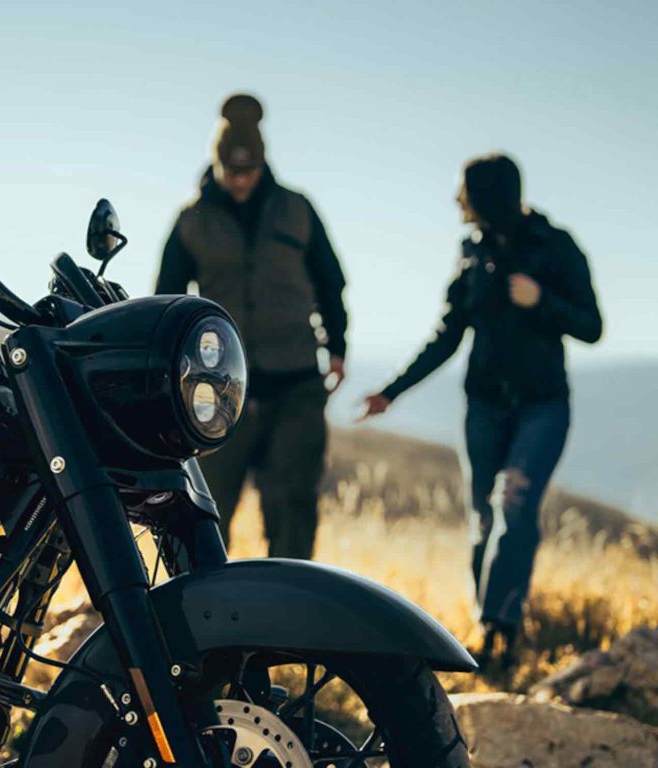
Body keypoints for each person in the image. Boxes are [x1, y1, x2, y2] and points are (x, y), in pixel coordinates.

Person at [360, 153, 602, 665]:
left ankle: (501, 629)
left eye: (464, 193)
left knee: (514, 506)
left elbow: (591, 325)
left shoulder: (554, 247)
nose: (457, 202)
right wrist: (391, 391)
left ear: (488, 196)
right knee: (482, 517)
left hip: (542, 407)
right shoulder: (470, 252)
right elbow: (448, 334)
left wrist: (542, 301)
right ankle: (485, 626)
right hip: (484, 408)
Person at [155, 93, 347, 559]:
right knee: (205, 510)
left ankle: (288, 616)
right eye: (232, 171)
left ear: (263, 163)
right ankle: (204, 616)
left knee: (292, 512)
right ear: (216, 163)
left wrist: (338, 347)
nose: (241, 180)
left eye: (249, 170)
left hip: (296, 384)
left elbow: (330, 280)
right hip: (219, 393)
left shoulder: (298, 209)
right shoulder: (191, 221)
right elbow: (167, 299)